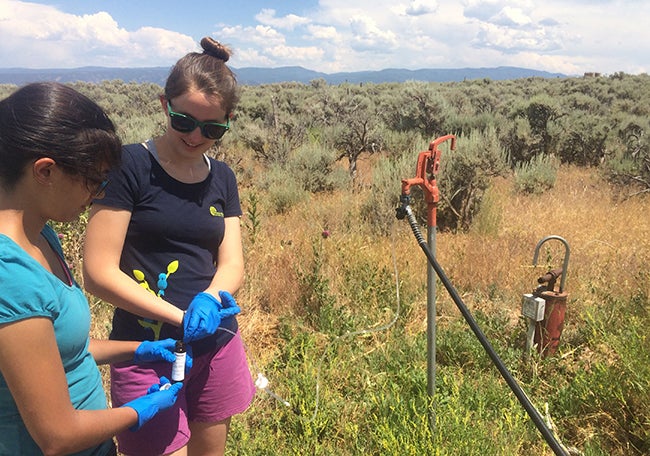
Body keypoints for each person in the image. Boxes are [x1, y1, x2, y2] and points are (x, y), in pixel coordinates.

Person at [82, 36, 255, 456]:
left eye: (212, 128)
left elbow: (232, 263)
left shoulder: (223, 178)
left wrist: (211, 300)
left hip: (216, 344)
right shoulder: (129, 167)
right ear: (164, 105)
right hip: (145, 348)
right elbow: (98, 273)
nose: (196, 136)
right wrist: (180, 315)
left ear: (229, 122)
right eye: (184, 121)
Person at [0, 82, 186, 456]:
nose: (98, 194)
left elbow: (59, 351)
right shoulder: (10, 274)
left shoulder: (40, 234)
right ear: (45, 171)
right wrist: (138, 411)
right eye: (93, 180)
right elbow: (58, 436)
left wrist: (139, 349)